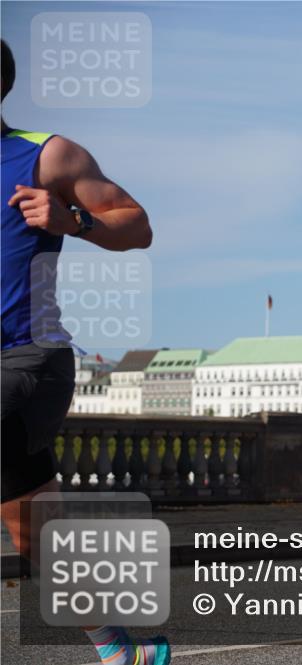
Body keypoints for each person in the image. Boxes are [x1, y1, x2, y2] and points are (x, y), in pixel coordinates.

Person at [1, 40, 168, 664]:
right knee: (36, 536)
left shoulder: (46, 156)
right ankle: (122, 648)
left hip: (27, 360)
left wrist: (74, 221)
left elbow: (137, 224)